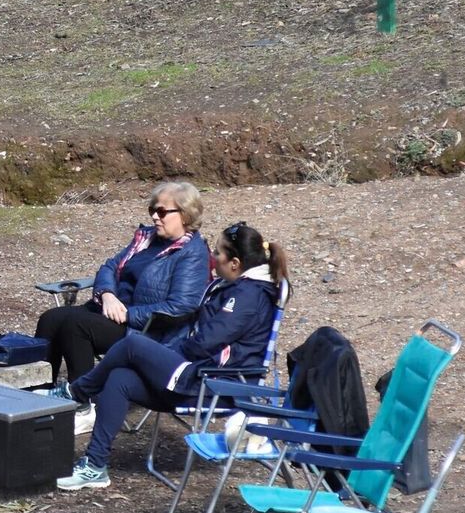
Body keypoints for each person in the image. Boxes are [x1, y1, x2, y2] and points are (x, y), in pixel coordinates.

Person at [56, 222, 289, 490]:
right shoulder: (235, 287)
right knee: (119, 378)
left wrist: (168, 354)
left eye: (217, 254)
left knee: (134, 346)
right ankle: (95, 466)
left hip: (214, 384)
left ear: (235, 263)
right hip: (197, 375)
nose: (211, 260)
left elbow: (206, 342)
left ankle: (77, 393)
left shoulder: (248, 296)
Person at [39, 180, 211, 393]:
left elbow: (182, 306)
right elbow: (109, 267)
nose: (155, 216)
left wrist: (128, 314)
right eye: (152, 210)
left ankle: (81, 401)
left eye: (162, 211)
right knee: (50, 318)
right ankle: (38, 396)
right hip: (111, 309)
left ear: (185, 215)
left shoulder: (192, 253)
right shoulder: (147, 238)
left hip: (144, 330)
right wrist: (108, 294)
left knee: (76, 325)